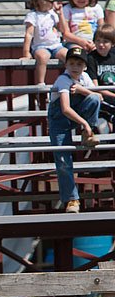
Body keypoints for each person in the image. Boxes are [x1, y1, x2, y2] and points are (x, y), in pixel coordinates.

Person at [48, 46, 102, 213]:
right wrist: (85, 123)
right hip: (59, 121)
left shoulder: (84, 77)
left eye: (79, 64)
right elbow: (64, 108)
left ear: (84, 67)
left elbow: (97, 97)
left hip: (75, 115)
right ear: (66, 65)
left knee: (93, 98)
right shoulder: (63, 80)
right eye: (71, 63)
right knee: (63, 161)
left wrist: (81, 90)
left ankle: (87, 135)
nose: (75, 67)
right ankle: (72, 200)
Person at [22, 0, 68, 85]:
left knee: (68, 55)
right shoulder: (33, 15)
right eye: (51, 1)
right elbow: (29, 34)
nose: (53, 3)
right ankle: (41, 82)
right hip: (41, 46)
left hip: (56, 45)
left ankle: (71, 78)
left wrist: (60, 15)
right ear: (41, 1)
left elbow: (63, 29)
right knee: (43, 57)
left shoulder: (52, 13)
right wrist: (26, 52)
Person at [85, 23, 115, 124]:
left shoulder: (113, 57)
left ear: (112, 43)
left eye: (105, 42)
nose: (101, 44)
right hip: (103, 96)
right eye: (98, 41)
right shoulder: (91, 58)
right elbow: (95, 86)